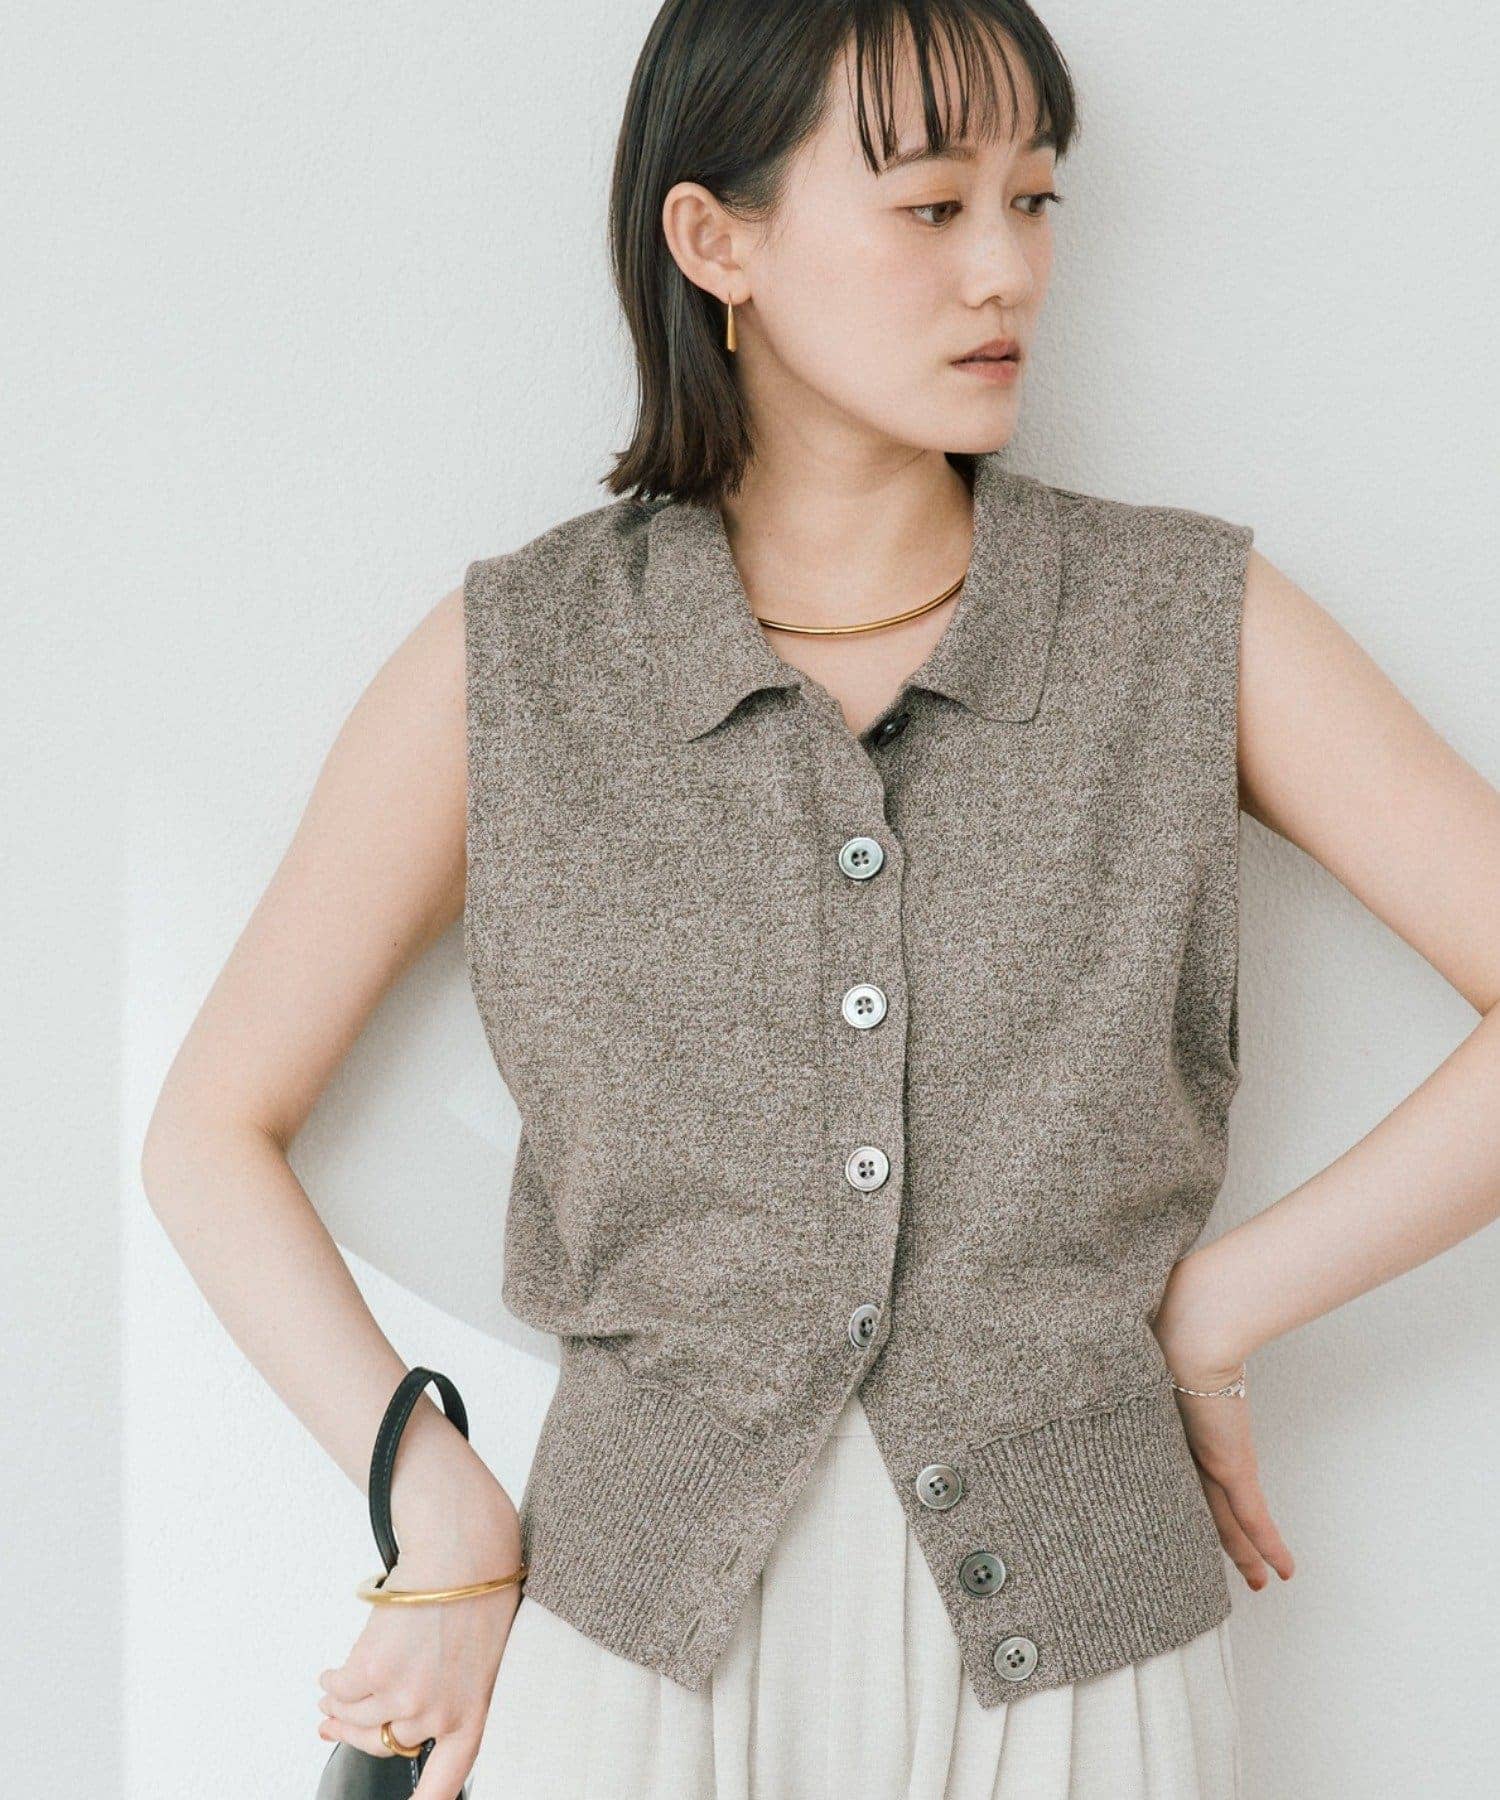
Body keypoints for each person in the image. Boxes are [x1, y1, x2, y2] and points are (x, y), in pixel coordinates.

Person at [140, 3, 1500, 1797]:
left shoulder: (1183, 624)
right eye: (932, 207)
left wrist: (1219, 1310)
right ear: (718, 241)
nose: (1006, 269)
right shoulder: (524, 662)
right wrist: (434, 1492)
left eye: (1034, 199)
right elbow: (208, 1133)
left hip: (1089, 1663)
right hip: (633, 1663)